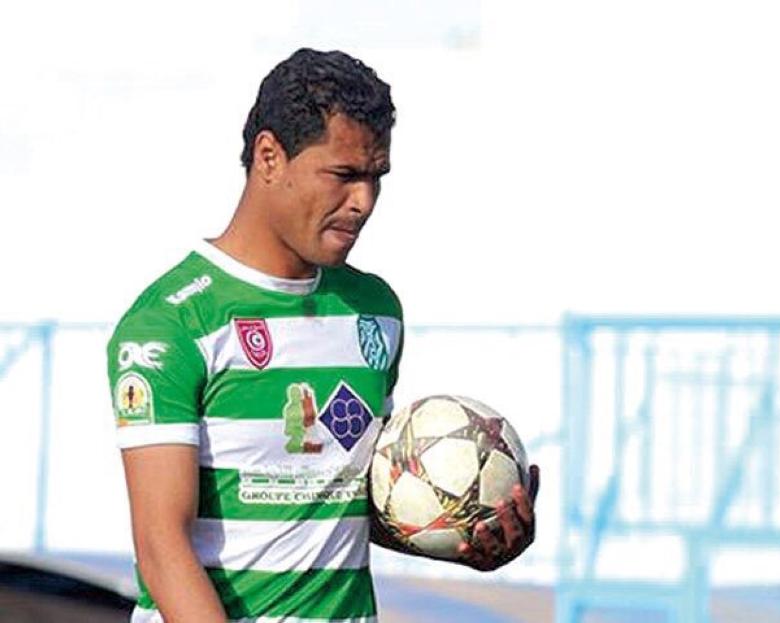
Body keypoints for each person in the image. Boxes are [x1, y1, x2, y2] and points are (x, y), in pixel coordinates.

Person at [106, 48, 540, 623]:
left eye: (375, 178)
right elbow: (163, 548)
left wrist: (463, 530)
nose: (363, 202)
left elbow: (337, 506)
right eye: (344, 175)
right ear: (269, 157)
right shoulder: (172, 325)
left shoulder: (374, 311)